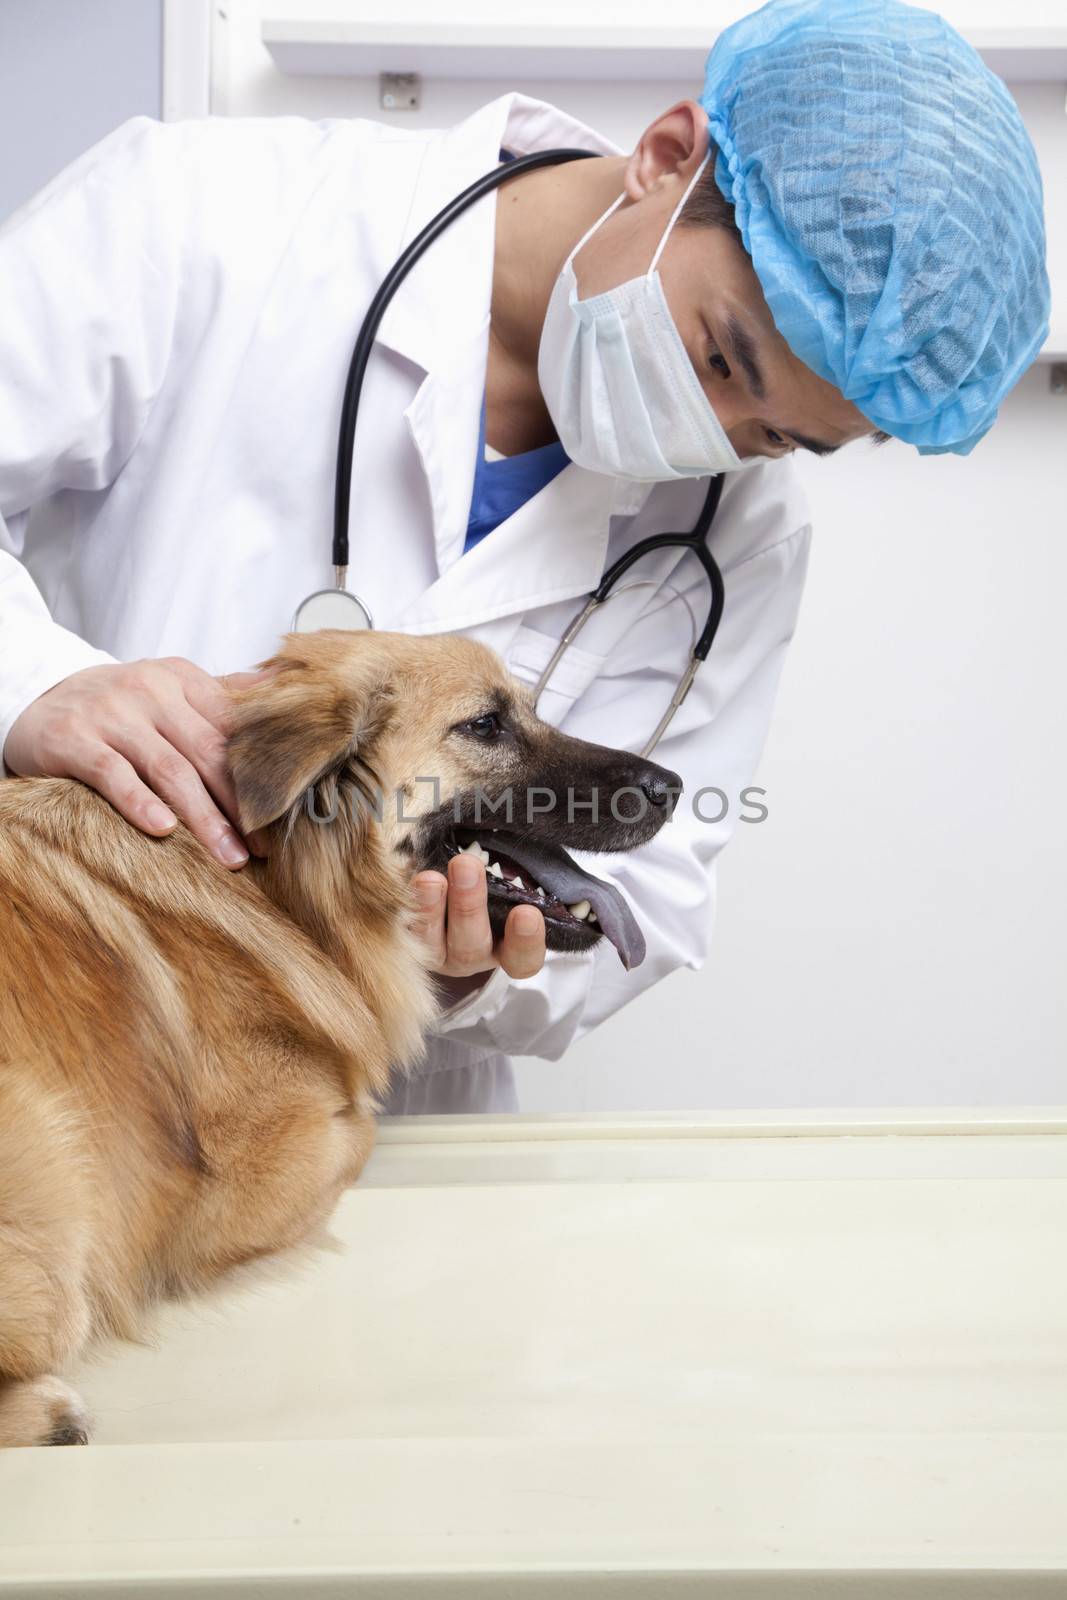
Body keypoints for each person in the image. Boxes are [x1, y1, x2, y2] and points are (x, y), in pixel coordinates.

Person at [0, 0, 1049, 1113]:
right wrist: (29, 681)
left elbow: (650, 896)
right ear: (664, 159)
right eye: (718, 354)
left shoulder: (741, 532)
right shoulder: (205, 213)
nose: (712, 431)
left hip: (362, 1126)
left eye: (778, 432)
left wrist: (466, 966)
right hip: (66, 1043)